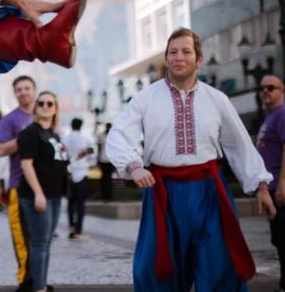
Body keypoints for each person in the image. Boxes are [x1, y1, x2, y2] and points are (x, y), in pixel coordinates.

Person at [107, 28, 275, 291]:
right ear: (166, 58)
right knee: (155, 269)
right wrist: (134, 167)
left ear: (198, 59)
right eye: (172, 52)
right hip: (162, 192)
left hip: (209, 192)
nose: (179, 57)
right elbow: (118, 135)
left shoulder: (217, 99)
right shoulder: (144, 98)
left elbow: (239, 145)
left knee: (217, 265)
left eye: (186, 51)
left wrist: (261, 185)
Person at [18, 91, 69, 292]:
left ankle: (42, 284)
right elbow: (26, 165)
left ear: (56, 108)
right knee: (39, 242)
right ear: (36, 107)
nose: (46, 106)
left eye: (50, 103)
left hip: (55, 195)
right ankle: (38, 288)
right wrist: (39, 193)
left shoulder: (53, 134)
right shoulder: (30, 132)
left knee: (46, 242)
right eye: (41, 103)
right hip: (37, 196)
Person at [0, 75, 37, 291]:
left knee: (41, 238)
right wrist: (24, 138)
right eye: (19, 89)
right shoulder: (10, 120)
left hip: (45, 187)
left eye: (27, 88)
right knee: (21, 236)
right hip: (18, 185)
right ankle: (25, 280)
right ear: (15, 94)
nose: (23, 92)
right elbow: (0, 149)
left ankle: (40, 279)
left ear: (34, 90)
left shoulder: (46, 116)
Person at [257, 74, 285, 292]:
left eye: (271, 87)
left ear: (281, 91)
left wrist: (283, 183)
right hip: (272, 186)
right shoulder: (270, 117)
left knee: (283, 237)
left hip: (280, 186)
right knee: (279, 238)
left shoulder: (282, 114)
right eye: (262, 88)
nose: (265, 91)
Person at [64, 117, 94, 240]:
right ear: (81, 126)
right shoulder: (86, 139)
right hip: (82, 172)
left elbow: (62, 155)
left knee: (71, 201)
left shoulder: (65, 139)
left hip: (69, 173)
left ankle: (71, 226)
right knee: (80, 203)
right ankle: (78, 230)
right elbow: (92, 155)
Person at [96, 122, 114, 201]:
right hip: (104, 159)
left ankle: (108, 195)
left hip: (109, 160)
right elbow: (99, 148)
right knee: (105, 178)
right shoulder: (101, 136)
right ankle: (105, 195)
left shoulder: (113, 136)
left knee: (108, 178)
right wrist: (98, 159)